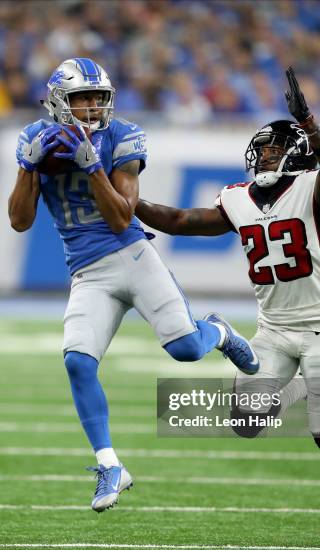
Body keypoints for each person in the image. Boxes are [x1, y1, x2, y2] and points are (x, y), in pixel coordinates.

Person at [135, 67, 320, 549]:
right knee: (246, 422)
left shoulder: (313, 187)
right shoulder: (238, 199)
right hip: (272, 328)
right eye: (263, 150)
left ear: (293, 152)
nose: (264, 156)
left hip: (319, 327)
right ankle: (302, 390)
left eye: (274, 149)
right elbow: (180, 220)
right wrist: (129, 201)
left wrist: (311, 124)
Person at [8, 57, 260, 513]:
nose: (91, 107)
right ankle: (110, 465)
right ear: (60, 102)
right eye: (82, 98)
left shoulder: (122, 134)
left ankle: (218, 331)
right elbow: (19, 221)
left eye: (97, 98)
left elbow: (124, 214)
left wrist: (92, 168)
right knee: (77, 363)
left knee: (185, 349)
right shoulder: (33, 138)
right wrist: (29, 168)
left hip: (133, 256)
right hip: (87, 271)